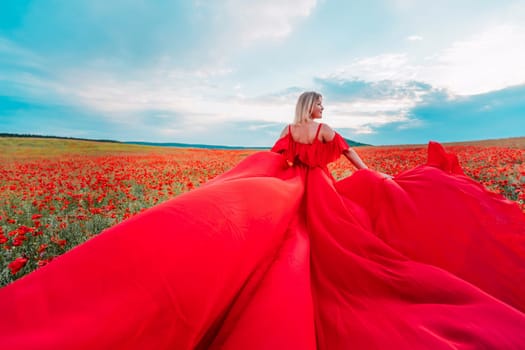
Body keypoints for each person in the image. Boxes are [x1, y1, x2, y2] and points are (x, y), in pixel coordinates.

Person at [1, 91, 524, 349]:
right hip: (322, 189)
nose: (322, 107)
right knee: (335, 253)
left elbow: (283, 158)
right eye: (321, 102)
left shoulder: (289, 128)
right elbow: (348, 160)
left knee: (292, 243)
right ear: (316, 106)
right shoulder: (324, 130)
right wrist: (381, 178)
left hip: (297, 183)